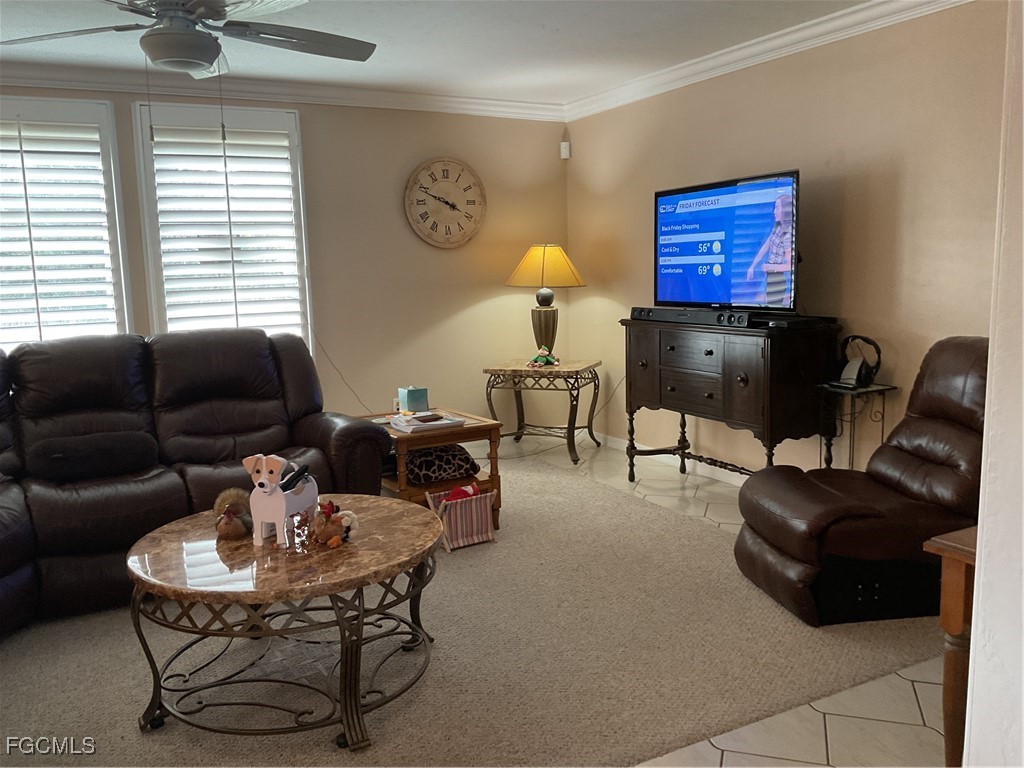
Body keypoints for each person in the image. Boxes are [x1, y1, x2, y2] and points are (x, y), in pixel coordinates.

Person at [746, 194, 793, 306]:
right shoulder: (777, 227)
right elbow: (765, 247)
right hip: (770, 277)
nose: (774, 211)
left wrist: (770, 267)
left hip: (778, 280)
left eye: (777, 208)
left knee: (772, 307)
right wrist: (752, 266)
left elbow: (790, 266)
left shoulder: (788, 235)